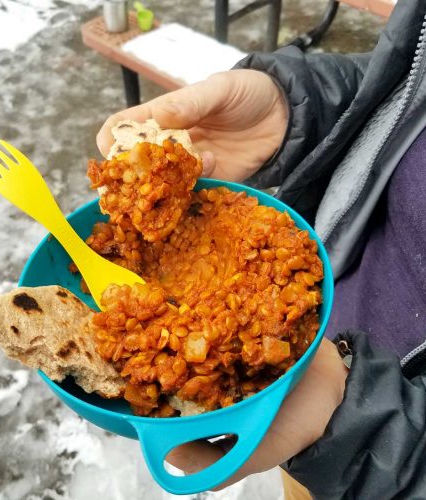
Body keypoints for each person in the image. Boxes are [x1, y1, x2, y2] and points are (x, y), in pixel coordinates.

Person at [96, 0, 426, 497]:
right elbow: (409, 92)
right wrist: (296, 109)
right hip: (322, 345)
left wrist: (364, 426)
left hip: (361, 431)